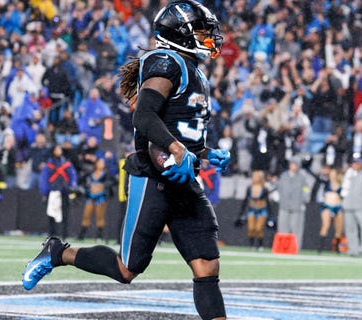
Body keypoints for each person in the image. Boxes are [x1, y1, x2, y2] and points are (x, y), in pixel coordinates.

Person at [22, 2, 230, 320]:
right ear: (180, 33)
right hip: (154, 179)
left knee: (207, 266)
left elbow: (176, 125)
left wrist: (204, 152)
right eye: (201, 30)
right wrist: (177, 149)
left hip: (183, 180)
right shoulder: (166, 61)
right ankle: (58, 253)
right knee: (127, 269)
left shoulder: (195, 71)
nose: (208, 37)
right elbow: (144, 116)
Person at [38, 145, 78, 240]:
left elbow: (73, 176)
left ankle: (64, 234)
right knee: (51, 214)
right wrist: (45, 191)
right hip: (53, 192)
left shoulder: (67, 164)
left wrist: (72, 187)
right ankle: (52, 234)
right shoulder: (49, 165)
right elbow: (44, 179)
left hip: (64, 192)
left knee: (65, 214)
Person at [276, 157, 311, 251]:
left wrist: (303, 200)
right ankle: (282, 248)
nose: (293, 166)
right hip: (284, 205)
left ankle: (295, 248)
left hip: (297, 206)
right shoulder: (284, 176)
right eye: (292, 164)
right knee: (283, 227)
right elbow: (279, 188)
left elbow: (306, 189)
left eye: (295, 165)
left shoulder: (302, 178)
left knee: (296, 229)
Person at [341, 153, 362, 258]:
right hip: (348, 205)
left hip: (361, 205)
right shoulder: (348, 174)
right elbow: (344, 190)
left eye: (357, 163)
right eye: (354, 163)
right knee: (350, 229)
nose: (355, 165)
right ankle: (353, 250)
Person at [77, 158, 111, 241]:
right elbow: (85, 183)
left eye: (103, 162)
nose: (101, 164)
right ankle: (81, 235)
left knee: (100, 217)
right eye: (100, 162)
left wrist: (104, 191)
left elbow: (109, 185)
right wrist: (86, 191)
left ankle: (99, 236)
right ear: (96, 163)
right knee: (86, 216)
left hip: (100, 198)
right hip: (90, 197)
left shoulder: (106, 174)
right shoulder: (90, 174)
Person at [236, 170, 271, 251]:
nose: (255, 178)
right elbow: (245, 200)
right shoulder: (249, 188)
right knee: (251, 228)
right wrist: (241, 213)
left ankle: (260, 244)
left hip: (262, 210)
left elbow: (268, 202)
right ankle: (251, 245)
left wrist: (270, 215)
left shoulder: (264, 189)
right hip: (252, 209)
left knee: (259, 228)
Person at [317, 168, 345, 254]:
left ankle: (336, 247)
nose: (331, 175)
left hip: (338, 207)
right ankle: (320, 247)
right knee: (325, 225)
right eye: (331, 173)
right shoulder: (325, 183)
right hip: (327, 206)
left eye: (333, 173)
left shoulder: (342, 185)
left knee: (339, 229)